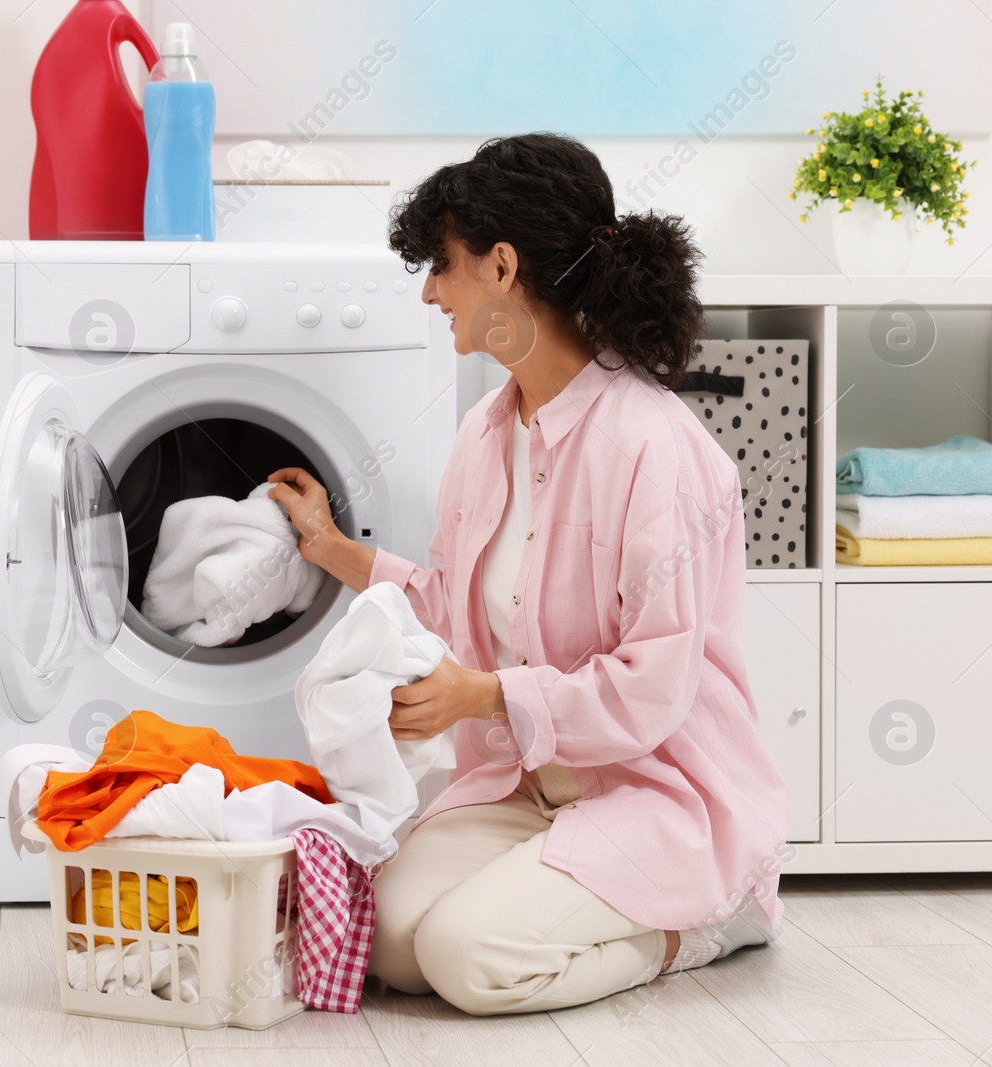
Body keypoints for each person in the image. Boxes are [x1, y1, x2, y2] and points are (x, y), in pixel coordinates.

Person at [267, 132, 788, 1016]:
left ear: (502, 266)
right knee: (390, 939)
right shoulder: (486, 431)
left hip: (654, 787)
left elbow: (653, 688)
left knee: (468, 959)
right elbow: (461, 605)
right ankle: (564, 890)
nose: (431, 289)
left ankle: (707, 920)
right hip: (529, 784)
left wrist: (483, 698)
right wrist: (330, 548)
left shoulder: (654, 446)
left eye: (443, 263)